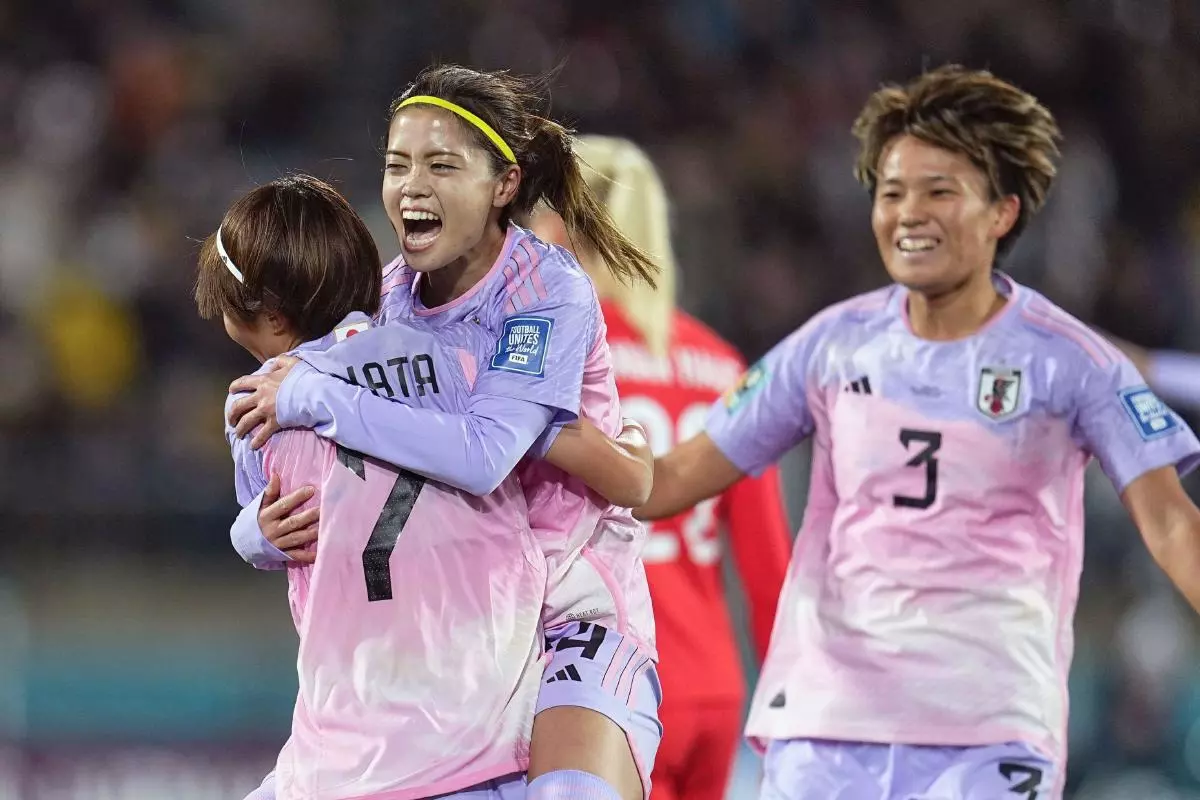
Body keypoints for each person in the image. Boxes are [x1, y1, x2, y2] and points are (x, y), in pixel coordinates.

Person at [636, 65, 1200, 800]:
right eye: (892, 192)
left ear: (1002, 211)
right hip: (827, 723)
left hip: (990, 730)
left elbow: (1172, 528)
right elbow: (669, 479)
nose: (908, 213)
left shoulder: (1073, 361)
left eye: (940, 191)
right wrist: (543, 444)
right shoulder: (829, 345)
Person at [225, 65, 662, 800]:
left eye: (441, 165)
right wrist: (257, 534)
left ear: (504, 185)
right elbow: (317, 468)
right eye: (397, 165)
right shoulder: (384, 301)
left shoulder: (544, 292)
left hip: (567, 615)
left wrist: (317, 392)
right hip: (453, 636)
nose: (411, 186)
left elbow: (487, 452)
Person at [529, 135, 792, 800]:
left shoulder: (556, 360)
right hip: (711, 691)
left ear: (559, 227)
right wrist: (790, 718)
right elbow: (769, 573)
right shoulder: (725, 367)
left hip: (601, 686)